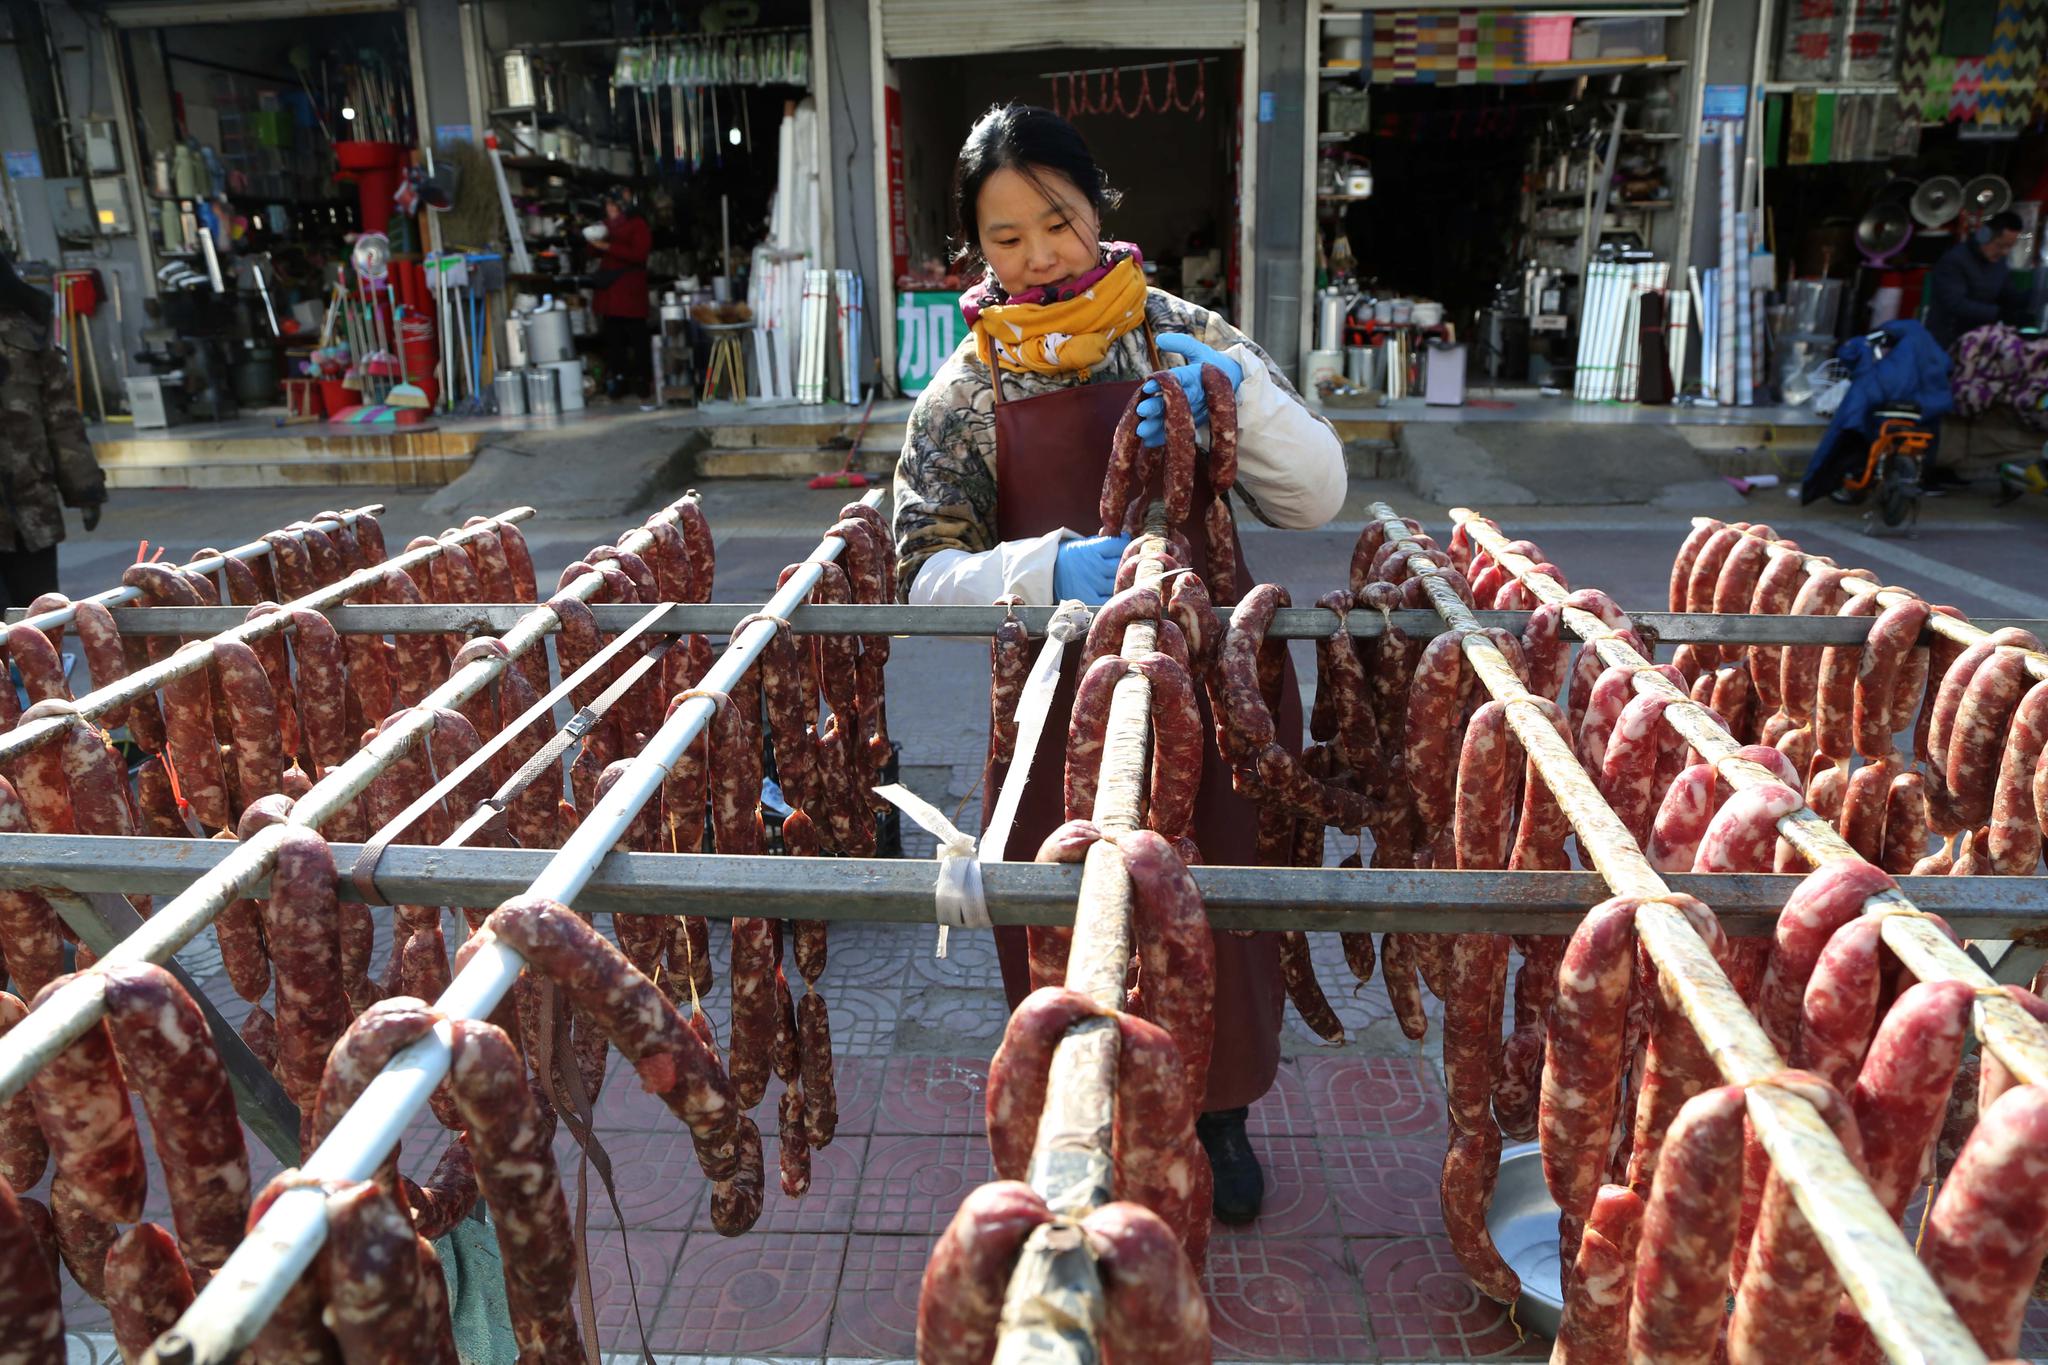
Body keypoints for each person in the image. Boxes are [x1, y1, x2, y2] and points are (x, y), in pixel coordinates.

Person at [892, 103, 1345, 1225]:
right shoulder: (960, 392)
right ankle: (1073, 1121)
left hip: (1209, 683)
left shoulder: (1183, 330)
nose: (1040, 254)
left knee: (1214, 914)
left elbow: (1315, 494)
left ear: (1096, 205)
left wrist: (1242, 407)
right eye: (1006, 237)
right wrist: (1050, 569)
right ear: (973, 249)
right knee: (1061, 914)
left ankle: (1219, 1114)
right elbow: (919, 574)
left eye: (1056, 219)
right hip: (1055, 699)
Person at [0, 249, 105, 608]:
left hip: (31, 515)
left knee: (38, 625)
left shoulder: (27, 329)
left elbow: (61, 418)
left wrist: (86, 489)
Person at [1924, 211, 2027, 490]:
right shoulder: (1954, 262)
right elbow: (1955, 304)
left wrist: (2021, 309)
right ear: (1984, 236)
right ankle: (1927, 470)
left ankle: (1953, 465)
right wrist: (1998, 313)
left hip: (1982, 350)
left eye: (2009, 247)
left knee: (1968, 407)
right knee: (1940, 408)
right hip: (1946, 344)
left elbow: (2007, 294)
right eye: (2001, 245)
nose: (2003, 252)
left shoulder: (1998, 265)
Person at [589, 187, 652, 401]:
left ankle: (642, 381)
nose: (611, 209)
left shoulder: (637, 224)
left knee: (637, 338)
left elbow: (639, 254)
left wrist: (609, 247)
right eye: (608, 205)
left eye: (615, 205)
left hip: (630, 292)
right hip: (611, 294)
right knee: (614, 340)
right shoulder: (604, 226)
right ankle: (619, 380)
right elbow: (592, 250)